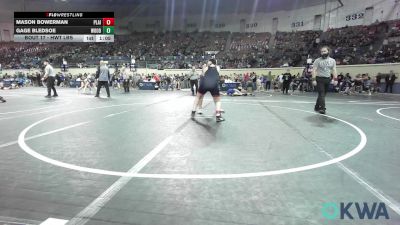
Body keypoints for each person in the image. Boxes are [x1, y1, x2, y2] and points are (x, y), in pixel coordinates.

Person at [312, 46, 337, 114]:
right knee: (322, 94)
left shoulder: (332, 60)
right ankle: (322, 108)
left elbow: (334, 70)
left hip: (327, 79)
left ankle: (317, 106)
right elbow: (314, 70)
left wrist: (335, 79)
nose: (322, 53)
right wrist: (313, 79)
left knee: (322, 95)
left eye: (324, 51)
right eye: (321, 51)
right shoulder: (317, 60)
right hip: (319, 79)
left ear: (328, 51)